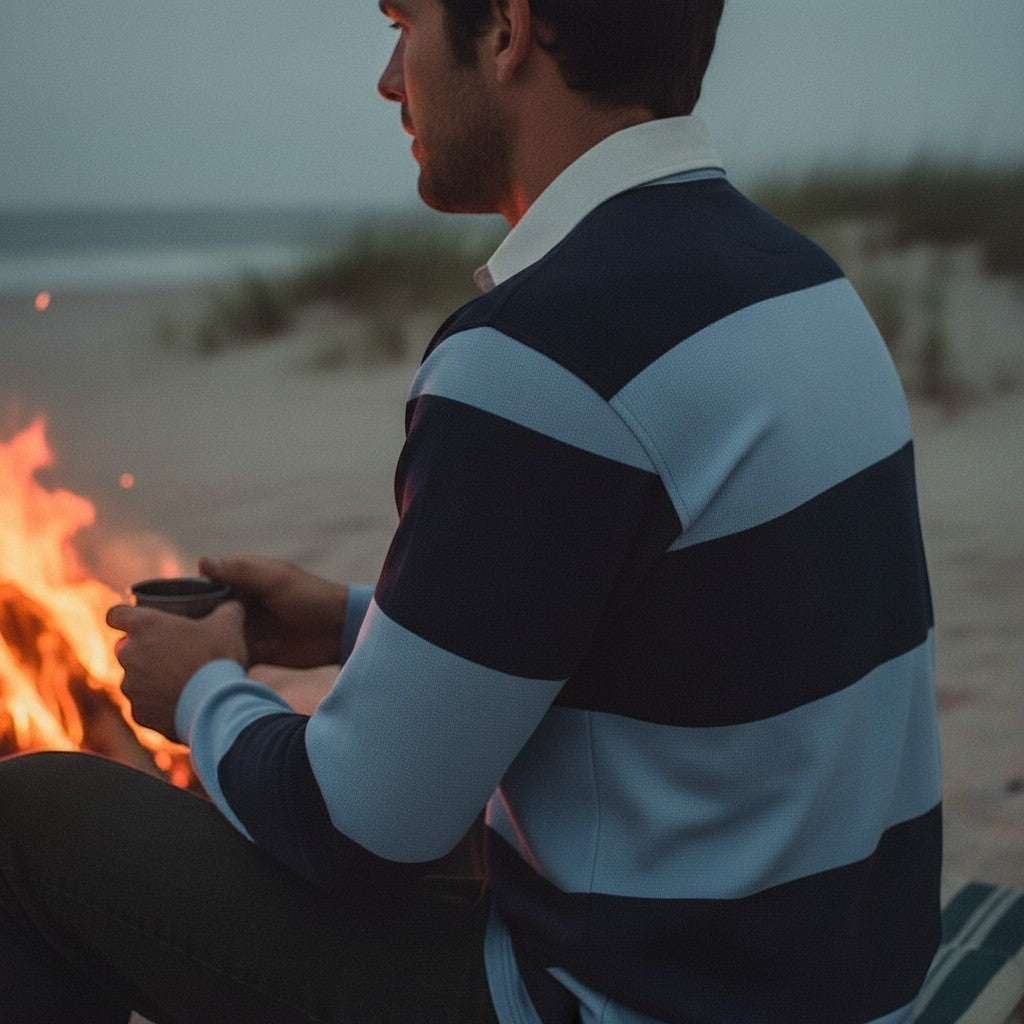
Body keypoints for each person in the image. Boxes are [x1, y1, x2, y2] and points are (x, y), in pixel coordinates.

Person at [0, 0, 942, 1021]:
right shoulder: (801, 287)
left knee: (32, 816)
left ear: (506, 27)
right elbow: (697, 637)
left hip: (630, 999)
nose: (388, 78)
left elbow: (358, 834)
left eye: (403, 21)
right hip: (840, 989)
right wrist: (352, 621)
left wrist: (202, 691)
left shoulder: (543, 352)